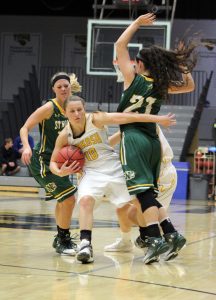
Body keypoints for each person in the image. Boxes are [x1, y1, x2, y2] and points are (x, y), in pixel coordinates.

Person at [112, 12, 197, 263]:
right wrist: (182, 66)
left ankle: (153, 238)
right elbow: (190, 86)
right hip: (153, 143)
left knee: (143, 194)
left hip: (135, 138)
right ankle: (171, 234)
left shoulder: (133, 79)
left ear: (138, 63)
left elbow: (119, 45)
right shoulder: (161, 85)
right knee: (148, 193)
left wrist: (136, 23)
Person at [49, 95, 176, 263]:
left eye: (80, 109)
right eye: (72, 111)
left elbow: (127, 117)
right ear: (65, 113)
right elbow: (52, 161)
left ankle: (165, 234)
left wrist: (157, 119)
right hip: (91, 172)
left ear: (84, 109)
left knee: (141, 199)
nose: (77, 113)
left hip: (113, 167)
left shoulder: (96, 119)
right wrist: (60, 172)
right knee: (86, 201)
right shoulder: (64, 135)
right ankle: (86, 244)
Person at [20, 72, 82, 256]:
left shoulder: (74, 108)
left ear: (70, 87)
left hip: (62, 160)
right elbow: (24, 127)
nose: (63, 88)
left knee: (64, 200)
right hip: (42, 161)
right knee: (69, 198)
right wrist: (26, 147)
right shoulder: (49, 107)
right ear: (54, 89)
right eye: (59, 86)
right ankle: (63, 240)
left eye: (65, 85)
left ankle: (60, 239)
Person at [104, 126, 180, 261]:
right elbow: (110, 142)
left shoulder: (142, 122)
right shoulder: (133, 126)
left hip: (159, 173)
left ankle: (154, 241)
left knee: (142, 211)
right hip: (150, 170)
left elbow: (110, 143)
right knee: (123, 209)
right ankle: (129, 241)